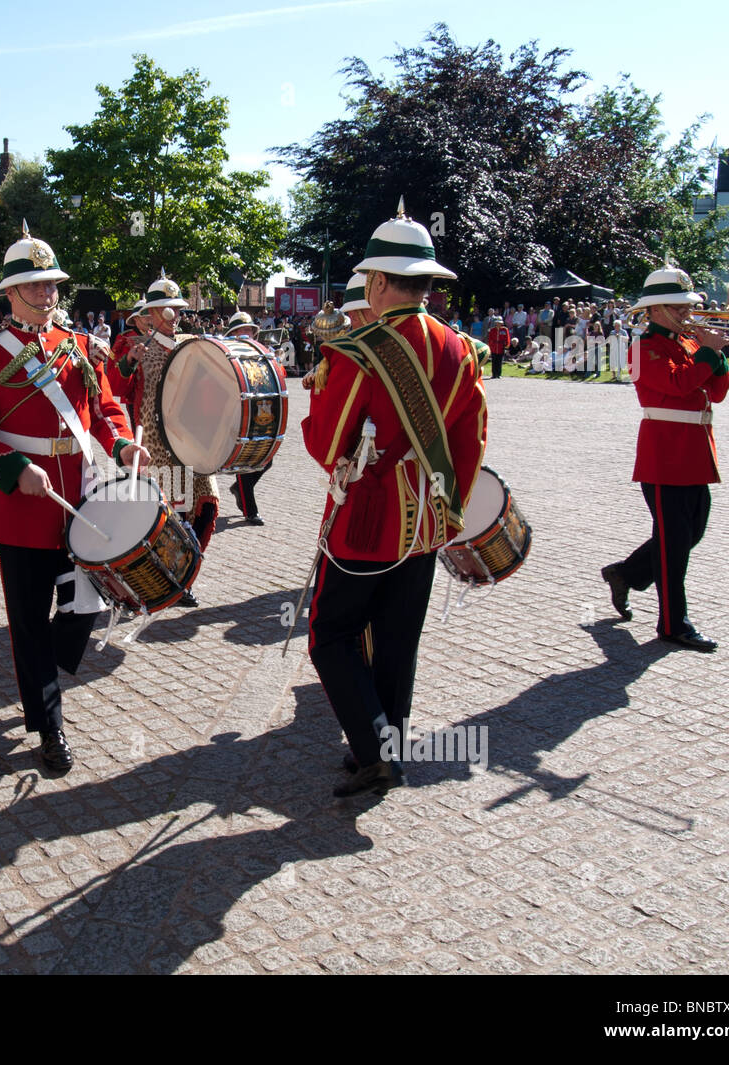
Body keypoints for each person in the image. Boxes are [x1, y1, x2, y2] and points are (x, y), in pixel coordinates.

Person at [303, 200, 487, 797]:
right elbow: (470, 439)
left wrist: (319, 395)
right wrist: (445, 504)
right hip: (427, 517)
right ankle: (384, 750)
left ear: (379, 281)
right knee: (397, 638)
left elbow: (328, 446)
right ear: (428, 284)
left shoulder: (357, 352)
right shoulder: (463, 350)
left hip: (367, 518)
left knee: (330, 635)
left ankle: (375, 748)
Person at [0, 224, 144, 772]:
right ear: (9, 293)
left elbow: (105, 410)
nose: (47, 294)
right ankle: (49, 727)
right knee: (29, 621)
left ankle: (46, 675)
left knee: (86, 604)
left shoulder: (79, 346)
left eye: (52, 285)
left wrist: (124, 445)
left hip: (80, 496)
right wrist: (10, 467)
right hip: (22, 503)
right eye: (34, 287)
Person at [601, 267, 729, 653]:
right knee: (674, 544)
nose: (686, 311)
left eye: (687, 304)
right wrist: (708, 352)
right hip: (664, 456)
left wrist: (715, 355)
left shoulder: (690, 344)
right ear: (656, 310)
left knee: (690, 534)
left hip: (695, 453)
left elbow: (717, 392)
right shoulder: (643, 347)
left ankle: (626, 573)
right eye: (678, 305)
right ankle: (674, 624)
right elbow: (677, 385)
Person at [117, 272, 219, 601]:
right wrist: (127, 364)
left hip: (193, 442)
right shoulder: (136, 347)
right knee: (169, 516)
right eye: (165, 309)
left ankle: (185, 576)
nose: (174, 315)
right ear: (151, 315)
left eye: (176, 308)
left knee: (201, 508)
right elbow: (116, 389)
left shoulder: (192, 345)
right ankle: (168, 582)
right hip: (158, 445)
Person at [223, 309, 269, 526]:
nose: (247, 333)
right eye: (242, 330)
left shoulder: (260, 352)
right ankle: (250, 510)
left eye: (249, 329)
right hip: (236, 411)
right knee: (245, 460)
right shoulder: (226, 354)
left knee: (266, 458)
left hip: (260, 410)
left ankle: (238, 489)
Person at [486, 313, 510, 379]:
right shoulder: (492, 330)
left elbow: (507, 338)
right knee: (494, 361)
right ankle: (494, 374)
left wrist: (506, 346)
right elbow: (490, 339)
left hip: (501, 347)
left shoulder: (505, 330)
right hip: (494, 347)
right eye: (497, 323)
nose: (498, 324)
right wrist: (490, 347)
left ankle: (499, 374)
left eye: (499, 323)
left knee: (499, 361)